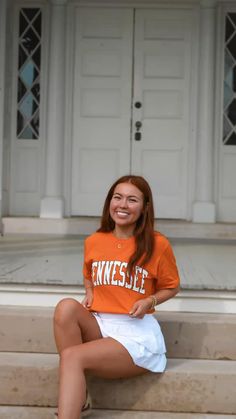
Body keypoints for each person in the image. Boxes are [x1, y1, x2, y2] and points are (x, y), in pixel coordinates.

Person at [53, 175, 180, 419]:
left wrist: (149, 301)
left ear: (144, 208)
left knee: (71, 356)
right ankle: (79, 397)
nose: (122, 205)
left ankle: (69, 410)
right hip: (100, 324)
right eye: (117, 197)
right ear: (109, 202)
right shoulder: (94, 241)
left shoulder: (157, 244)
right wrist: (90, 291)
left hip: (135, 333)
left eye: (132, 200)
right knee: (65, 307)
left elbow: (171, 287)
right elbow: (89, 275)